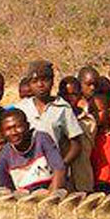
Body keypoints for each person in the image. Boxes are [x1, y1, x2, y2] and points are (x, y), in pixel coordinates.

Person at [15, 60, 85, 191]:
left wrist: (60, 167)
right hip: (26, 173)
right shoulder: (22, 108)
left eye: (45, 80)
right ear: (29, 84)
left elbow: (76, 144)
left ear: (52, 81)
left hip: (52, 173)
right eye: (35, 81)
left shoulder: (62, 107)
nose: (40, 85)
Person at [0, 109, 66, 192]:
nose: (13, 132)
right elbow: (4, 188)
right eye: (8, 129)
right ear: (3, 133)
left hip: (51, 192)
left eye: (18, 127)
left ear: (27, 126)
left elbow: (59, 169)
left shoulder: (41, 139)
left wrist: (51, 198)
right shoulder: (4, 155)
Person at [58, 74, 97, 192]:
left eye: (74, 94)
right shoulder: (55, 119)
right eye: (66, 95)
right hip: (62, 179)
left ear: (80, 95)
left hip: (83, 178)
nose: (70, 98)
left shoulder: (88, 121)